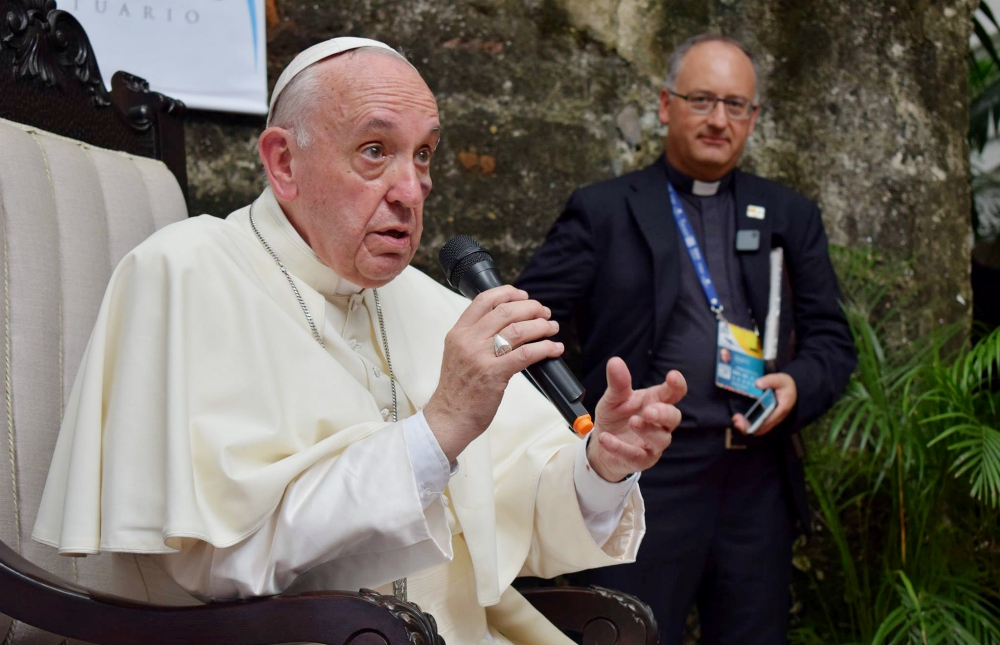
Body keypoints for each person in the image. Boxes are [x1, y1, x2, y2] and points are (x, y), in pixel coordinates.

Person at [32, 37, 689, 645]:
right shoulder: (186, 272)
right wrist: (442, 424)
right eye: (375, 150)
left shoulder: (427, 301)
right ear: (284, 161)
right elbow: (219, 563)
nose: (412, 190)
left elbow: (524, 517)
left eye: (423, 153)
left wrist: (603, 464)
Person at [515, 33, 856, 645]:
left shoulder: (787, 215)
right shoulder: (604, 211)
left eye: (736, 105)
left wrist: (798, 384)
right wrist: (582, 420)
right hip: (647, 476)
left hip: (755, 479)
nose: (719, 120)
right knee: (632, 633)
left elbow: (833, 340)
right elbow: (528, 328)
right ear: (666, 104)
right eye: (702, 100)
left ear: (753, 118)